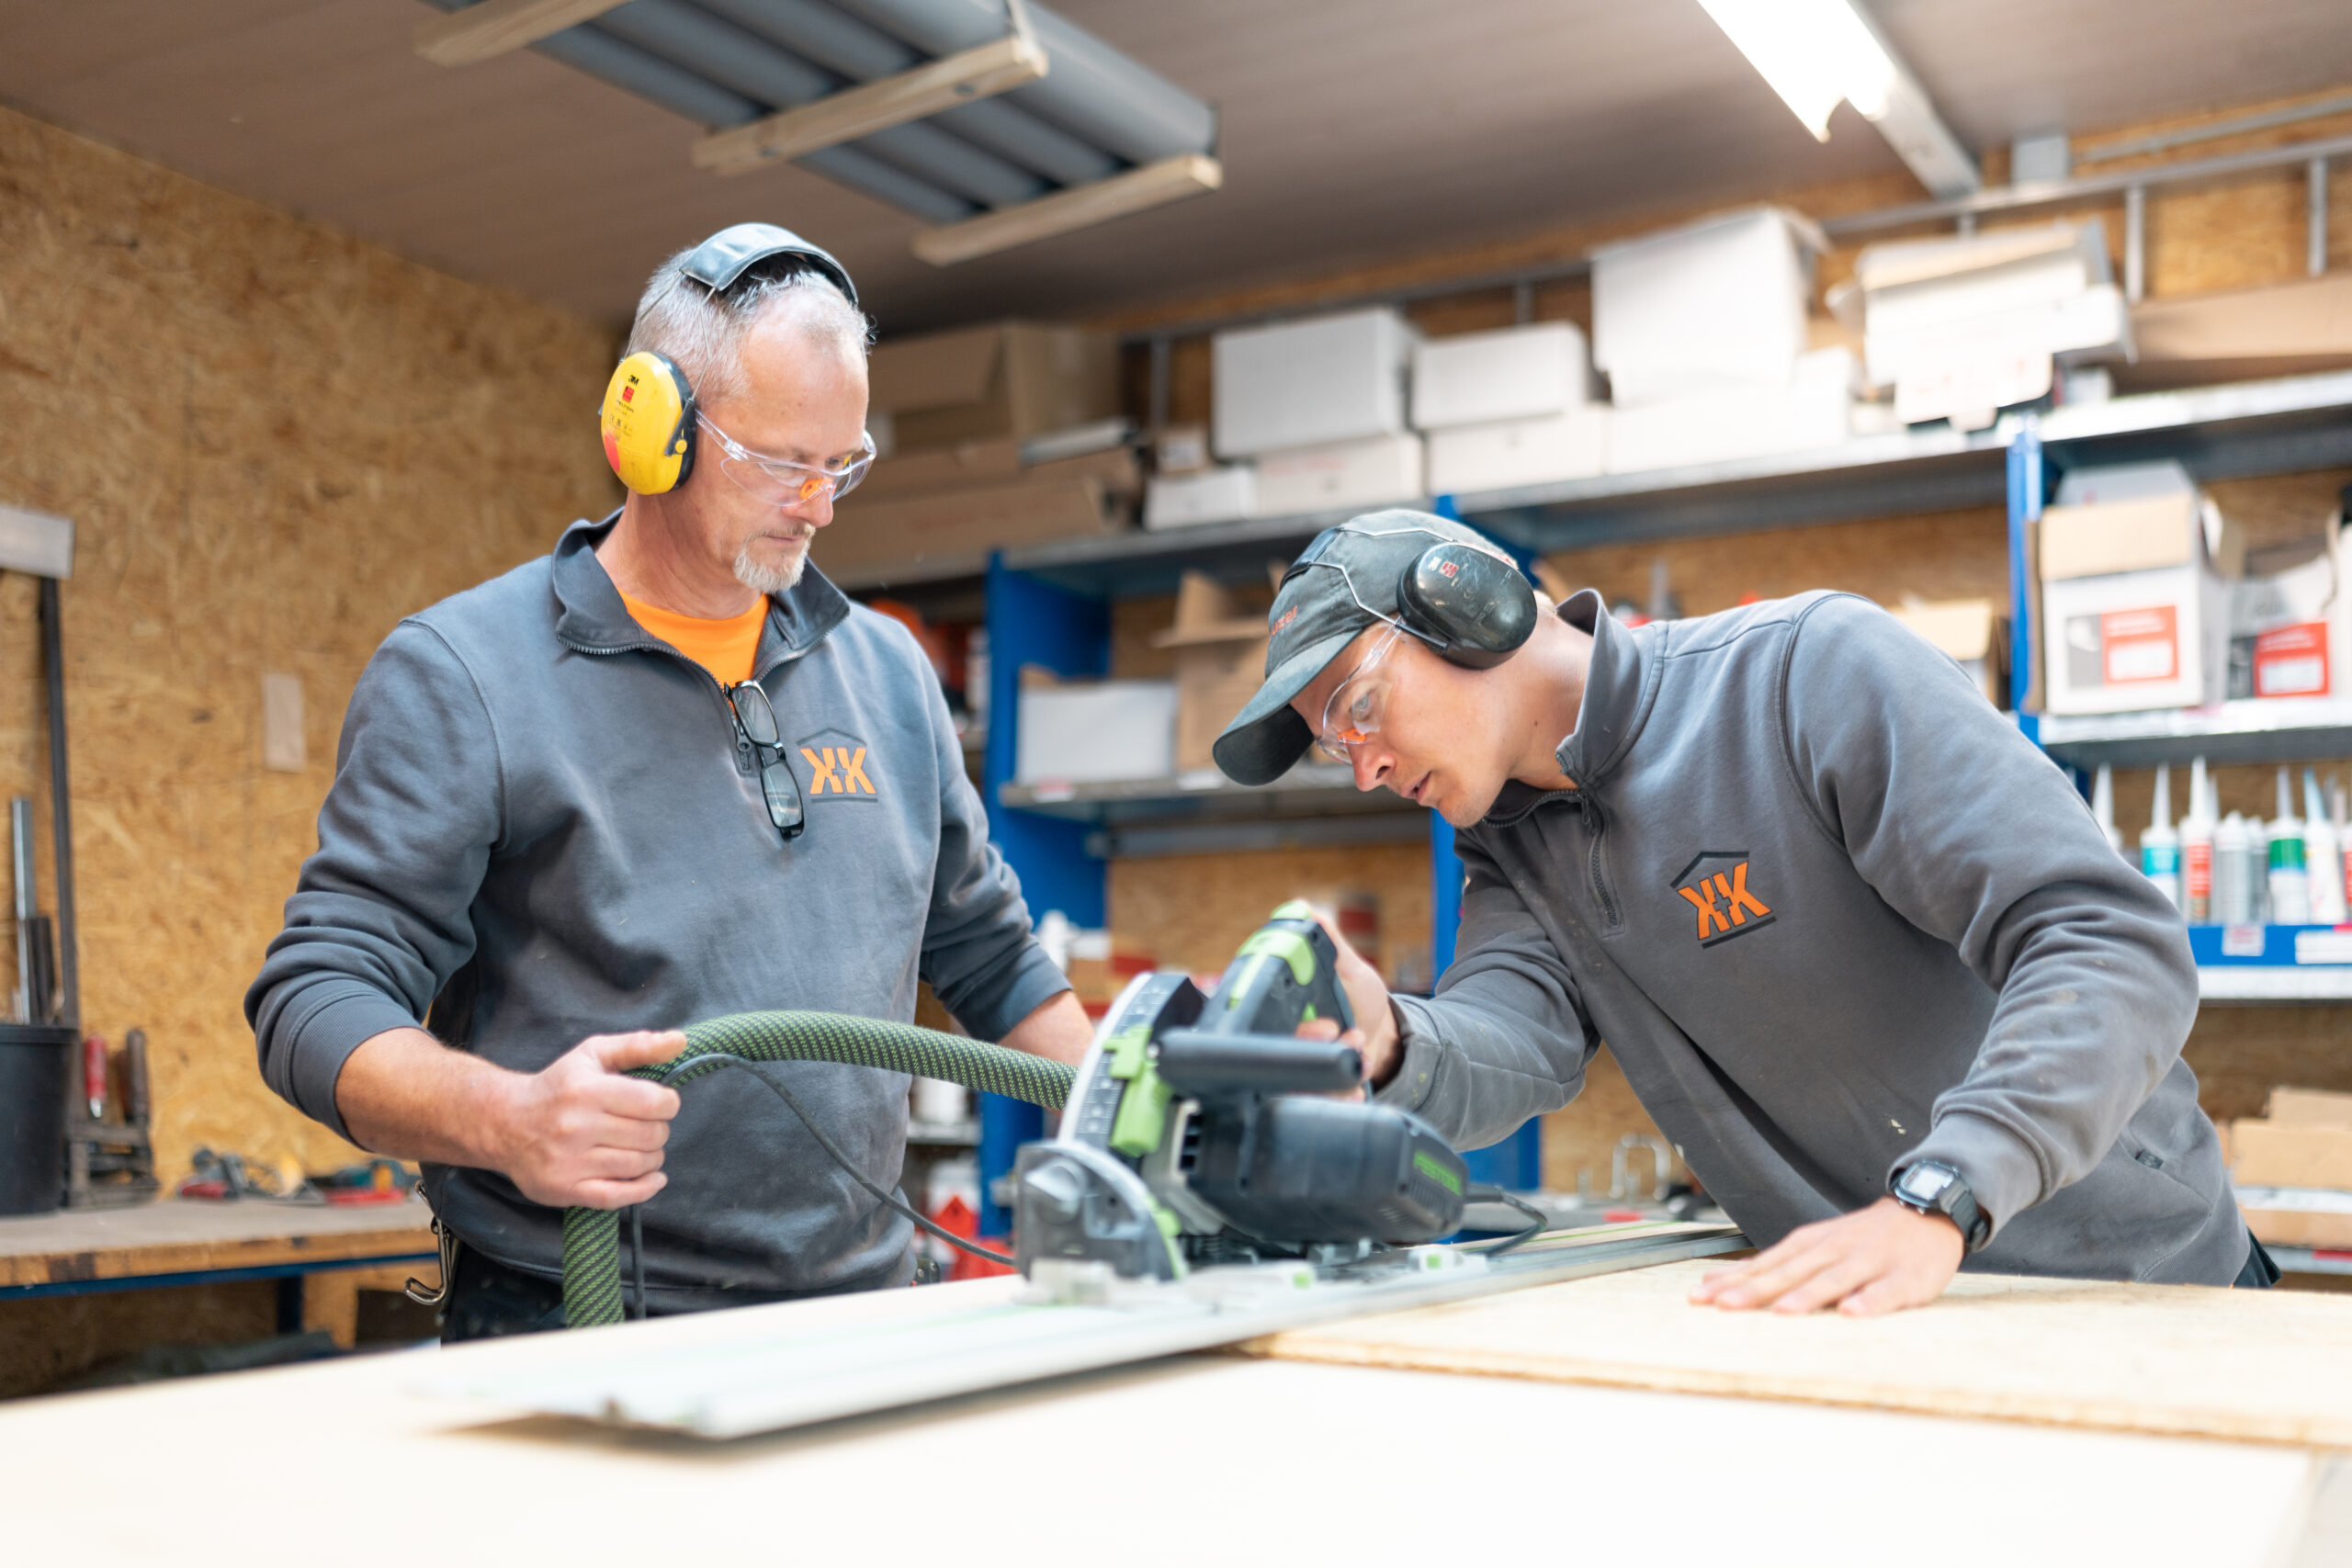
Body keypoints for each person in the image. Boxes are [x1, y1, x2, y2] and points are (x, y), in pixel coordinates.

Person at [247, 224, 1091, 1337]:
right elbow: (314, 1000)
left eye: (843, 462)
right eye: (784, 462)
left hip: (867, 1309)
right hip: (584, 1317)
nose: (821, 504)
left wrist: (1141, 1104)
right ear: (652, 428)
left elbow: (989, 956)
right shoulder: (467, 676)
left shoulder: (886, 671)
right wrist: (508, 1119)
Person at [1215, 510, 2269, 1317]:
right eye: (1330, 744)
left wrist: (1943, 1195)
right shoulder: (1509, 843)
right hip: (1875, 1313)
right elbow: (1513, 1040)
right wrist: (1391, 1041)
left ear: (1470, 607)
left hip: (2138, 1289)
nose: (1362, 768)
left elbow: (2104, 939)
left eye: (1358, 706)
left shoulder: (1803, 675)